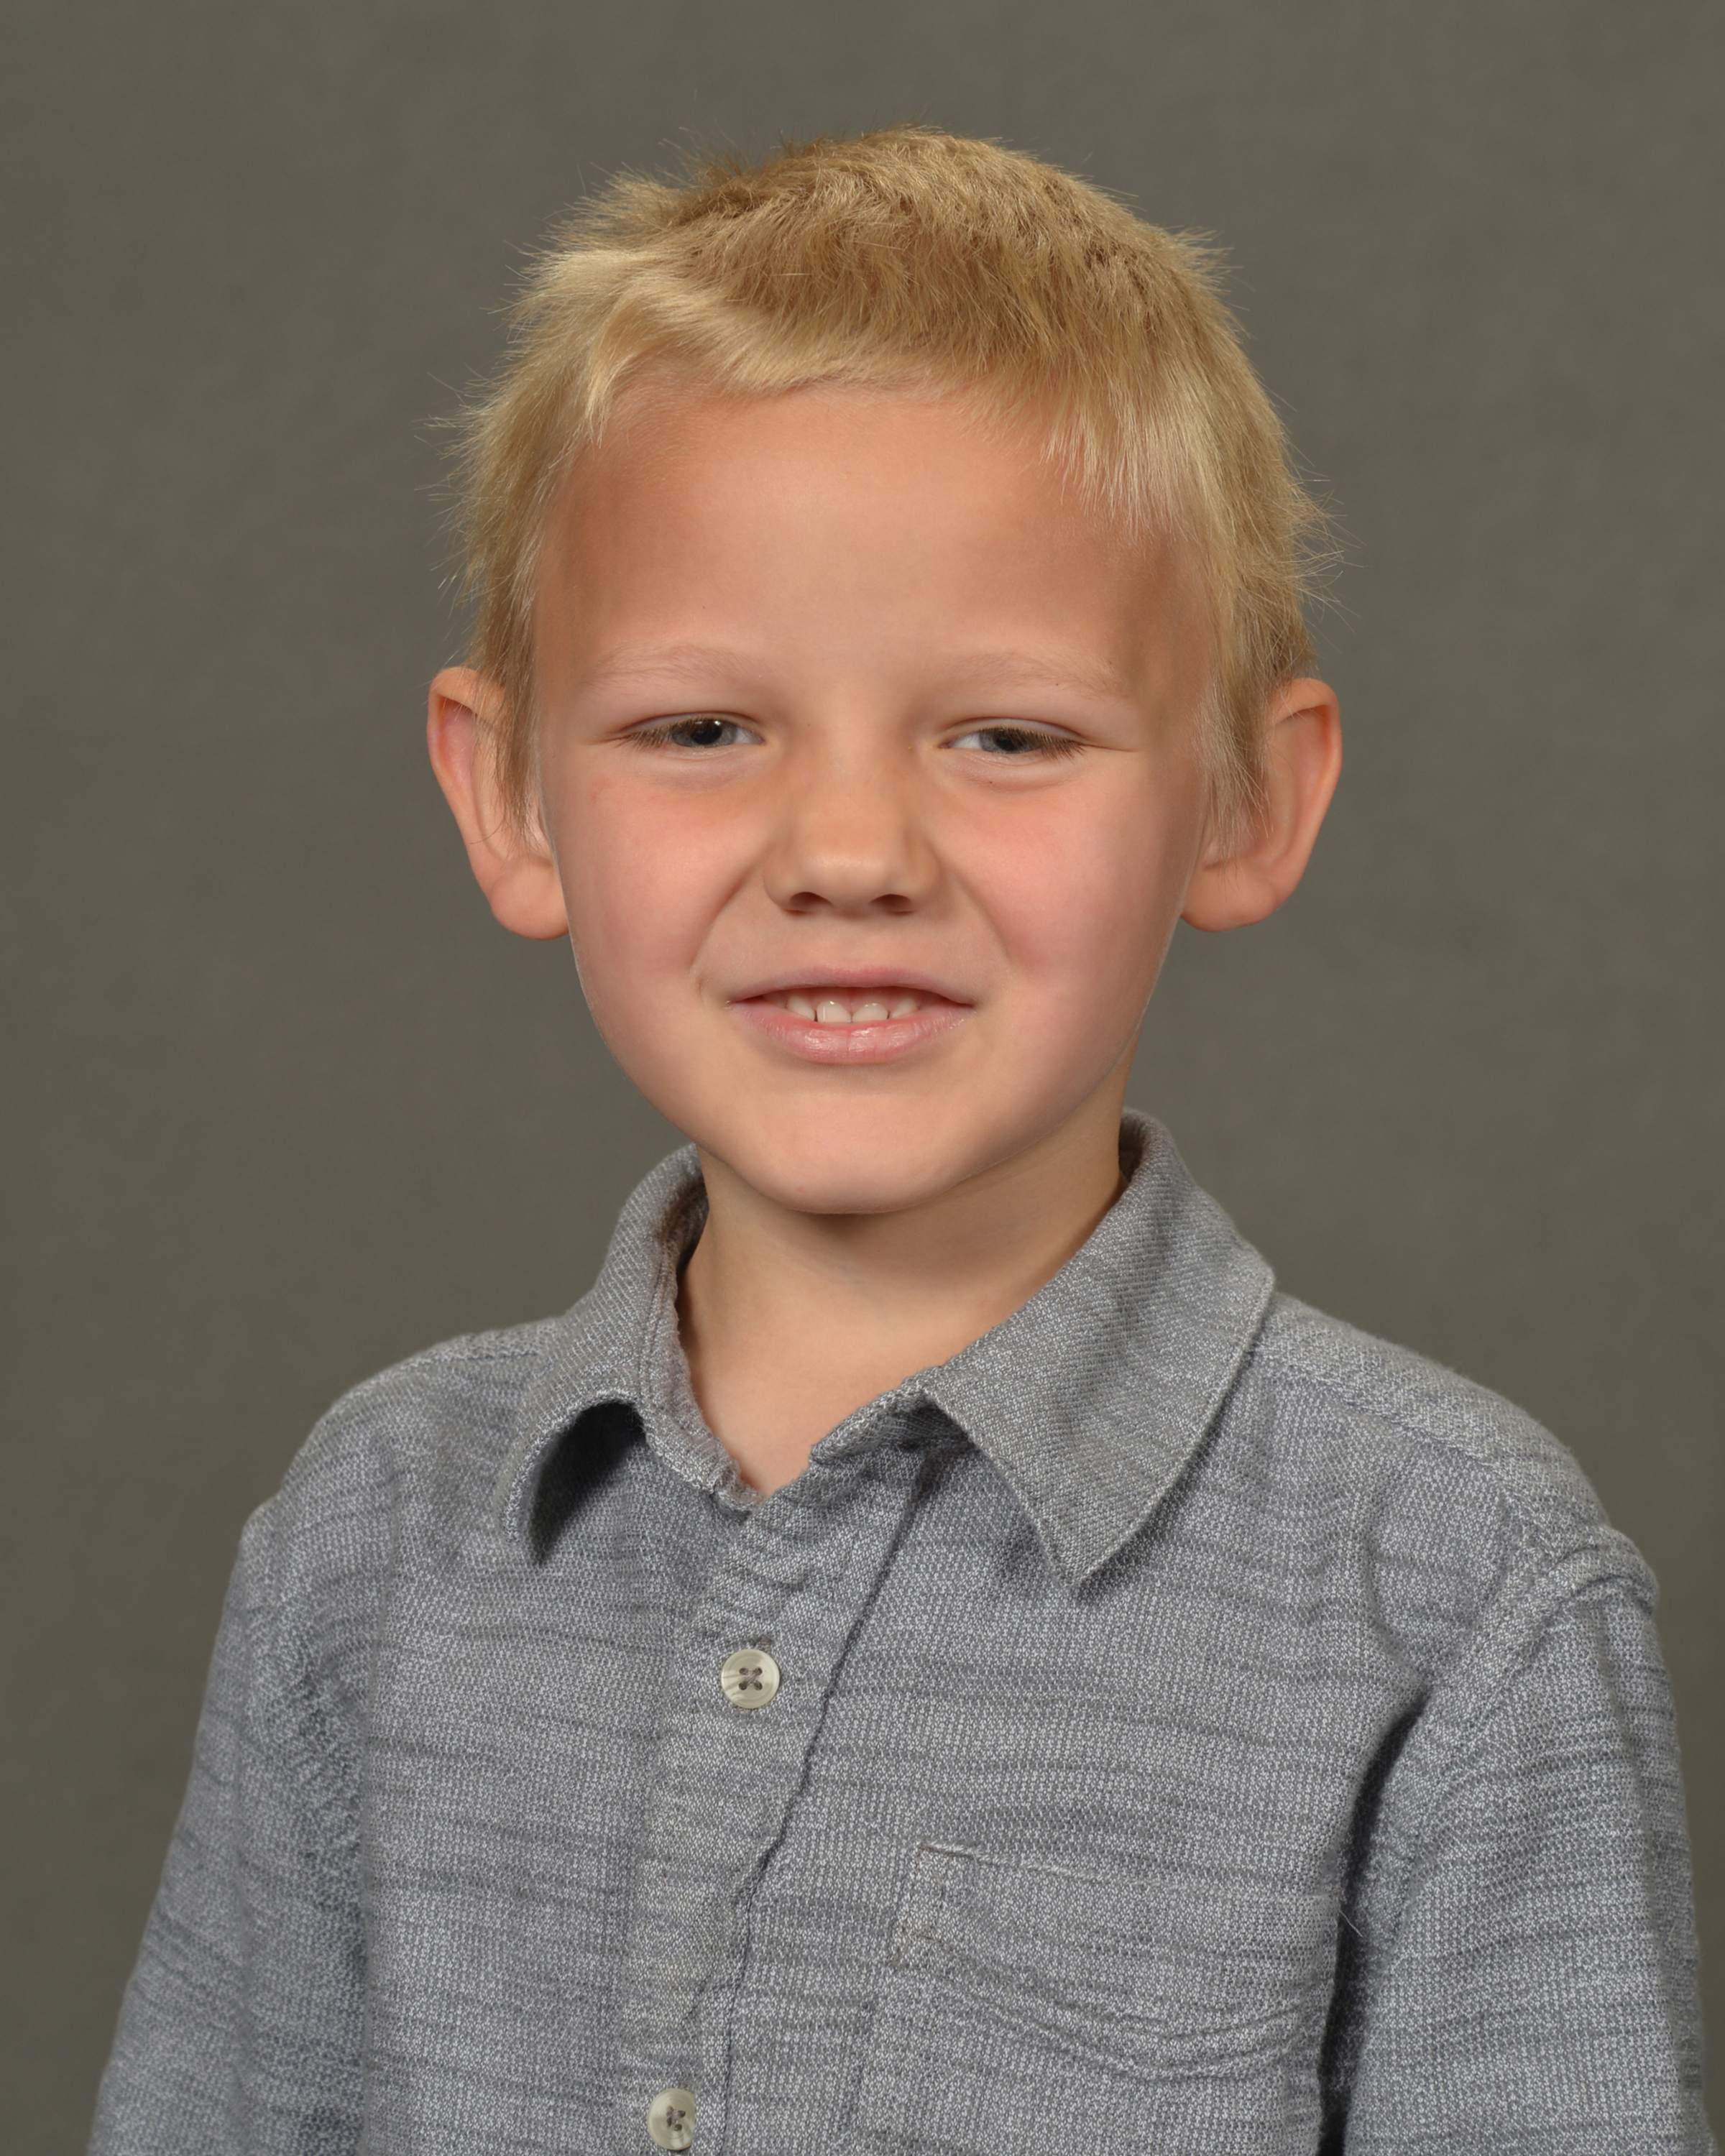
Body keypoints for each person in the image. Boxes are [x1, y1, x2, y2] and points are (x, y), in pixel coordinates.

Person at [91, 129, 1711, 2154]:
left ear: (1243, 798)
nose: (850, 852)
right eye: (702, 728)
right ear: (510, 798)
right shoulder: (373, 1539)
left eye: (1007, 734)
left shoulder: (1454, 1590)